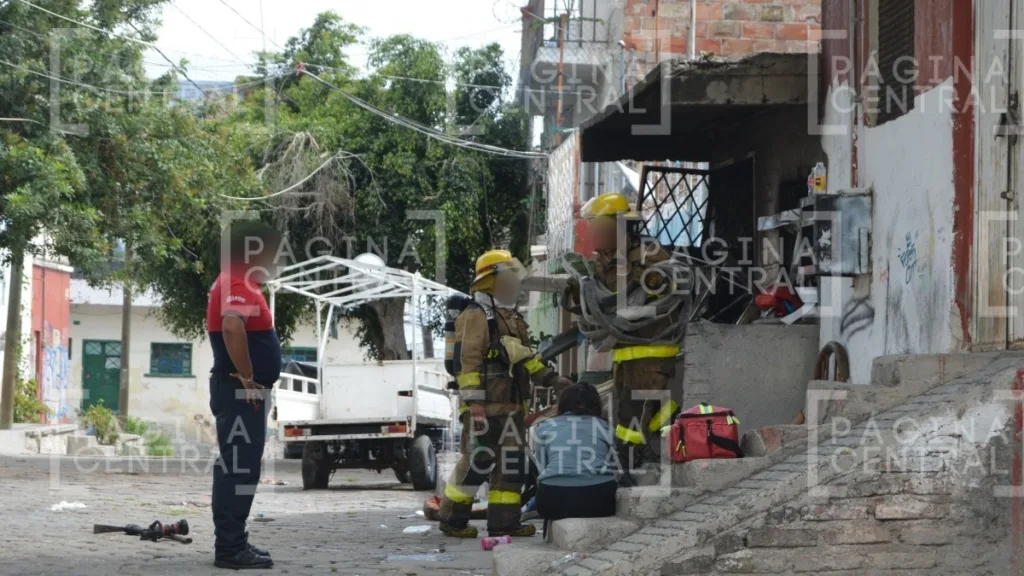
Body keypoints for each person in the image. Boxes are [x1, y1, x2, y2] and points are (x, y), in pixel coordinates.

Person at [438, 249, 567, 538]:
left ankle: (504, 523)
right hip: (486, 408)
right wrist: (474, 403)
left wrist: (554, 380)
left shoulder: (511, 317)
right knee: (476, 464)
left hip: (511, 408)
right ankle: (451, 519)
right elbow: (466, 362)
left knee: (512, 467)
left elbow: (524, 358)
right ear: (491, 281)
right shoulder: (475, 315)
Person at [565, 192, 682, 486]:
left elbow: (665, 289)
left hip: (653, 346)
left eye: (596, 225)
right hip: (625, 348)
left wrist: (648, 284)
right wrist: (577, 297)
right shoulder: (603, 261)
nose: (591, 233)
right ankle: (635, 457)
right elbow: (600, 303)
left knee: (641, 405)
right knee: (627, 407)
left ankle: (642, 458)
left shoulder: (648, 255)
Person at [206, 221, 282, 569]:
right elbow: (233, 325)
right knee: (238, 468)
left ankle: (235, 542)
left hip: (241, 393)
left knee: (241, 468)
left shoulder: (239, 281)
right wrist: (249, 379)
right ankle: (231, 548)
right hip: (240, 393)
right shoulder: (236, 280)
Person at [533, 382, 617, 538]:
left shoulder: (544, 428)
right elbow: (612, 464)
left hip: (552, 501)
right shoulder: (605, 427)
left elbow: (542, 467)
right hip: (599, 501)